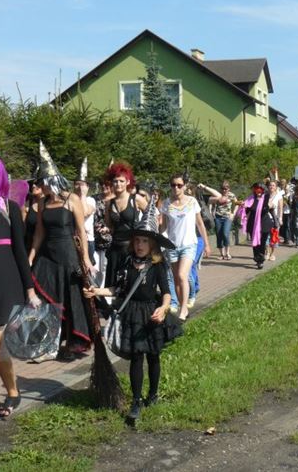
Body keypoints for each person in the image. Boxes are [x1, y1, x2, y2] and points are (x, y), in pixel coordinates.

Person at [83, 197, 182, 424]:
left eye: (144, 241)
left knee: (153, 356)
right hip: (132, 314)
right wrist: (97, 291)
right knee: (137, 357)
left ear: (152, 244)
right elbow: (117, 289)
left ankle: (153, 395)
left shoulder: (157, 264)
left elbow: (166, 292)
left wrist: (164, 308)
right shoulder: (127, 262)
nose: (139, 245)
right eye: (137, 240)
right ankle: (136, 400)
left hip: (152, 314)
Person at [0, 149, 41, 440]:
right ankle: (13, 391)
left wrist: (30, 289)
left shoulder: (9, 208)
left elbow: (19, 253)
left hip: (3, 288)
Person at [29, 141, 93, 359]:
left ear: (51, 181)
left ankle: (70, 344)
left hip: (68, 255)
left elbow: (81, 231)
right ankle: (46, 344)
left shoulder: (71, 199)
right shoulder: (42, 203)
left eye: (42, 182)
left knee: (70, 298)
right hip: (47, 256)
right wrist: (31, 257)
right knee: (46, 298)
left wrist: (85, 258)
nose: (40, 186)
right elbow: (39, 232)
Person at [160, 173, 211, 321]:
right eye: (173, 185)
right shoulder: (166, 204)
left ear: (184, 186)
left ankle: (183, 309)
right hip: (172, 246)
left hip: (189, 245)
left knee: (183, 275)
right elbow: (163, 227)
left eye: (179, 185)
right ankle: (183, 306)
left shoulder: (192, 202)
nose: (176, 188)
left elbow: (200, 224)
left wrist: (207, 244)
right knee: (176, 279)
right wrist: (158, 240)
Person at [104, 162, 148, 288]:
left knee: (130, 284)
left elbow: (153, 216)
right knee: (113, 284)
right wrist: (105, 229)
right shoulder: (109, 203)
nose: (118, 184)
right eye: (115, 181)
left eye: (121, 181)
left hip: (132, 248)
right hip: (115, 248)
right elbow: (109, 225)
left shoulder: (136, 199)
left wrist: (145, 234)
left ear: (128, 182)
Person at [199, 181, 237, 260]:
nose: (224, 190)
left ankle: (227, 253)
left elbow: (236, 203)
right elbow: (211, 203)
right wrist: (210, 212)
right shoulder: (218, 195)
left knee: (225, 234)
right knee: (219, 235)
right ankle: (221, 254)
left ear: (229, 189)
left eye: (226, 189)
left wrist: (233, 213)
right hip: (218, 217)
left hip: (227, 217)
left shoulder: (232, 195)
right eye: (222, 189)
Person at [244, 182, 273, 269]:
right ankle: (258, 259)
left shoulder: (265, 198)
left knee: (262, 243)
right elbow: (246, 211)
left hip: (264, 224)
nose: (258, 191)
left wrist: (267, 203)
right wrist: (243, 206)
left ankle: (260, 259)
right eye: (256, 189)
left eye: (260, 189)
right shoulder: (250, 199)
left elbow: (266, 209)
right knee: (255, 243)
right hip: (253, 224)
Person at [74, 158, 96, 265]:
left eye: (82, 184)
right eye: (77, 184)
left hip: (87, 240)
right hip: (74, 239)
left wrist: (82, 195)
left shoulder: (90, 200)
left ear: (87, 187)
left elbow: (85, 212)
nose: (79, 187)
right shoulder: (71, 200)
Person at [266, 180, 283, 261]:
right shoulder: (265, 195)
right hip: (266, 219)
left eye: (273, 185)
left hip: (275, 219)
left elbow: (280, 208)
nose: (271, 187)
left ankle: (272, 254)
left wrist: (280, 218)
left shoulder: (279, 196)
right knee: (266, 236)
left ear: (276, 187)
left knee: (274, 237)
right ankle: (267, 252)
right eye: (270, 185)